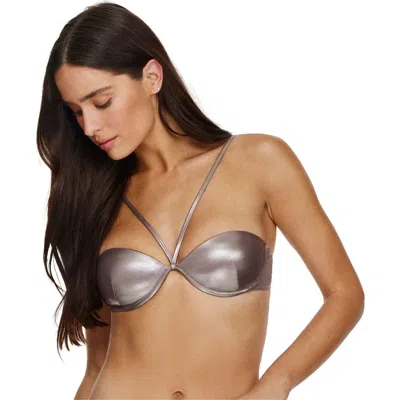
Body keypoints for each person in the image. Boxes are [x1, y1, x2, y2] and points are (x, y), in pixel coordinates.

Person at [37, 2, 365, 399]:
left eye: (102, 102)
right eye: (76, 112)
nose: (90, 126)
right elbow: (96, 365)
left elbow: (345, 294)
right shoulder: (95, 199)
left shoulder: (259, 162)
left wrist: (276, 384)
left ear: (152, 77)